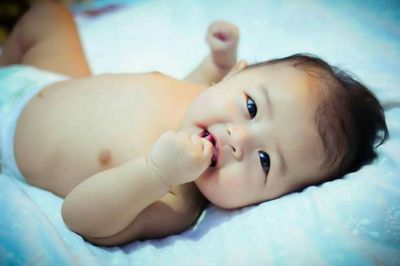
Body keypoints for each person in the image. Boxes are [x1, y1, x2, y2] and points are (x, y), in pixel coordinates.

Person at [0, 1, 388, 246]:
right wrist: (216, 60)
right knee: (48, 14)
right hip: (54, 82)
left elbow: (79, 217)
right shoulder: (199, 98)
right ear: (235, 76)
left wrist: (155, 172)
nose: (239, 139)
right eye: (251, 106)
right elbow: (198, 83)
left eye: (266, 161)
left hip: (11, 135)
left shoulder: (176, 201)